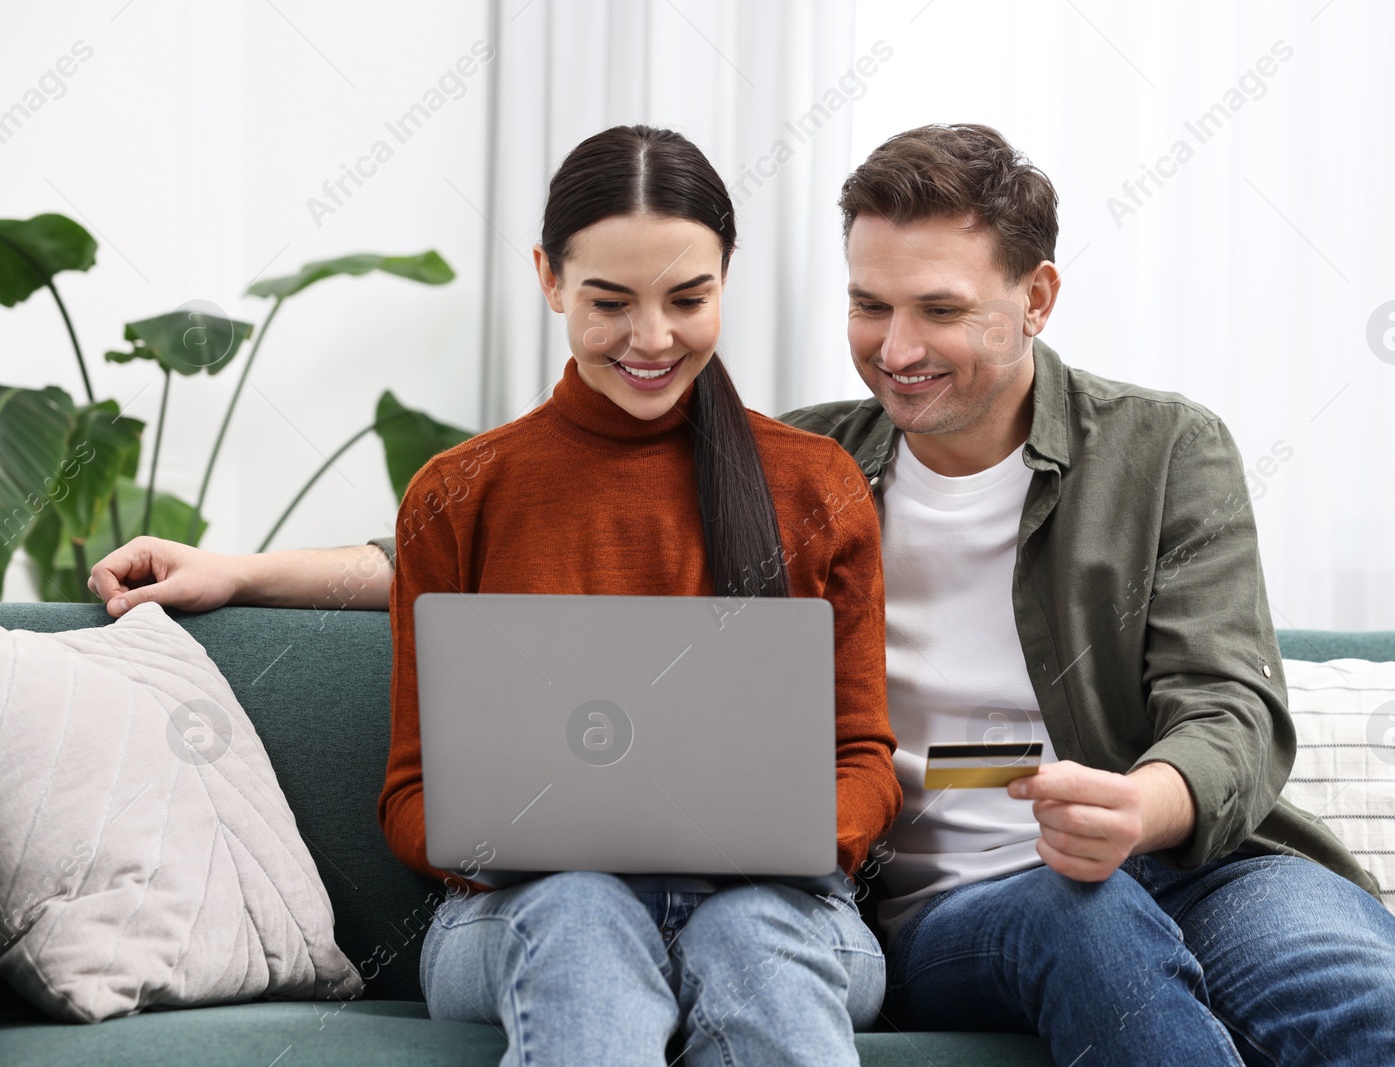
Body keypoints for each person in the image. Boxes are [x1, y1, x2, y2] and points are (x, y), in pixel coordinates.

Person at [89, 124, 1395, 1065]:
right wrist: (245, 569)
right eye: (871, 307)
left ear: (1036, 295)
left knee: (1354, 988)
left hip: (1178, 840)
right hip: (953, 887)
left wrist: (1145, 802)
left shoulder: (1152, 451)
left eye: (936, 310)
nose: (895, 349)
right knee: (1076, 919)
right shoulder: (805, 456)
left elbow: (1229, 702)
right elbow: (502, 564)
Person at [103, 124, 900, 1067]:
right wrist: (518, 839)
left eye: (689, 298)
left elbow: (863, 758)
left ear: (727, 278)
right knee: (583, 913)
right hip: (525, 913)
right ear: (549, 279)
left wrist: (797, 835)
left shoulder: (818, 482)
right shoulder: (459, 491)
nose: (652, 338)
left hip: (784, 911)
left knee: (750, 938)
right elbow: (410, 795)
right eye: (609, 301)